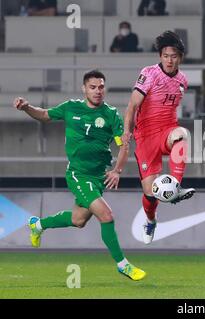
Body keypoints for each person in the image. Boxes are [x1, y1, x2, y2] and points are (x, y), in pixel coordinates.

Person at [13, 70, 146, 281]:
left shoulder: (111, 115)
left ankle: (37, 224)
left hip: (98, 177)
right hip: (78, 174)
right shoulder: (70, 107)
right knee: (106, 215)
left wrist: (117, 170)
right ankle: (123, 265)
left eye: (101, 87)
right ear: (84, 89)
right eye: (93, 87)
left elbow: (123, 146)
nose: (97, 91)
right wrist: (27, 107)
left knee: (78, 220)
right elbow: (45, 115)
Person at [122, 31, 195, 245]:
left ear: (180, 57)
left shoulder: (182, 80)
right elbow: (133, 105)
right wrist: (127, 131)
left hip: (166, 130)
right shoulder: (149, 74)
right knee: (150, 192)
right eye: (165, 56)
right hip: (145, 137)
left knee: (182, 135)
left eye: (173, 56)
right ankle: (151, 221)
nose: (169, 60)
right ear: (160, 57)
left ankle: (176, 186)